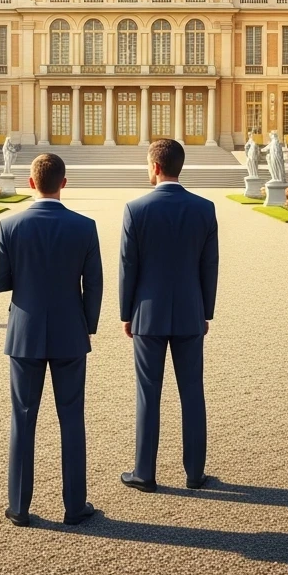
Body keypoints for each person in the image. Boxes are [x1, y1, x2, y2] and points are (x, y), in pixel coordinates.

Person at [0, 153, 102, 528]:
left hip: (24, 334)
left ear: (30, 183)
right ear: (64, 183)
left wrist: (24, 279)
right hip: (70, 333)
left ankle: (19, 507)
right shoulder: (85, 226)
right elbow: (94, 285)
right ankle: (74, 507)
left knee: (22, 419)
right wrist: (88, 325)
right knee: (72, 419)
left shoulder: (10, 226)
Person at [119, 139, 220, 492]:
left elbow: (128, 266)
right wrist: (205, 311)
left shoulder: (135, 208)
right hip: (191, 314)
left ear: (156, 167)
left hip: (147, 314)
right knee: (192, 391)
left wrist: (125, 313)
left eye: (148, 165)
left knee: (148, 393)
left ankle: (144, 474)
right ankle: (195, 474)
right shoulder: (204, 208)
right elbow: (210, 265)